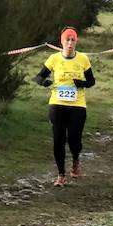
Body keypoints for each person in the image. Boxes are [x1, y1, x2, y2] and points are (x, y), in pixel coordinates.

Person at [34, 27, 94, 187]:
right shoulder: (54, 59)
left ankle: (75, 160)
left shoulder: (83, 59)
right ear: (62, 42)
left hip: (78, 105)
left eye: (73, 40)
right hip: (57, 104)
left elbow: (91, 81)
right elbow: (39, 76)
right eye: (67, 39)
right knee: (58, 141)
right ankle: (61, 175)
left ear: (76, 42)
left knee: (74, 140)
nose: (70, 43)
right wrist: (43, 82)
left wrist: (81, 83)